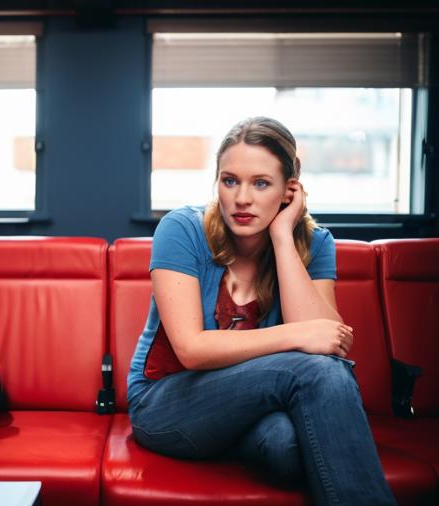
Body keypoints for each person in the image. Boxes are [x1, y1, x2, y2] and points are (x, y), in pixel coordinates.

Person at [127, 117, 396, 505]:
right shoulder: (182, 229)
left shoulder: (315, 243)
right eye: (230, 180)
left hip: (250, 411)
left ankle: (227, 439)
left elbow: (328, 342)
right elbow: (192, 349)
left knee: (288, 447)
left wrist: (283, 237)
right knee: (316, 372)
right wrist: (294, 336)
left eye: (261, 183)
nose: (241, 198)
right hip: (166, 404)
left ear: (289, 191)